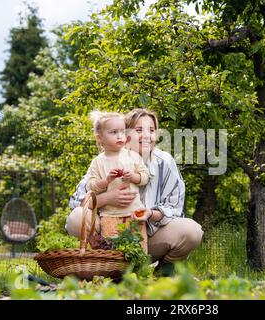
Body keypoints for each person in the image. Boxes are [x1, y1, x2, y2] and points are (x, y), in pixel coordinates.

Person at [66, 108, 204, 276]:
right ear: (126, 134)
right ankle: (107, 263)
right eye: (139, 130)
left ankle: (164, 271)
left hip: (148, 238)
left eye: (152, 130)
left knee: (192, 231)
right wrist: (108, 198)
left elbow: (174, 208)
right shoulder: (105, 160)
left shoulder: (165, 162)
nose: (147, 136)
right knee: (76, 217)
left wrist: (150, 213)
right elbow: (76, 200)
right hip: (110, 234)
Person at [86, 111, 150, 252]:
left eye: (122, 131)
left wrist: (133, 177)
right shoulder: (98, 162)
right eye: (114, 132)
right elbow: (92, 185)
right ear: (100, 138)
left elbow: (144, 177)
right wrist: (106, 181)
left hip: (134, 213)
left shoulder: (133, 156)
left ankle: (140, 272)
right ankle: (114, 273)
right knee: (111, 248)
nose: (120, 135)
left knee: (138, 247)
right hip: (109, 216)